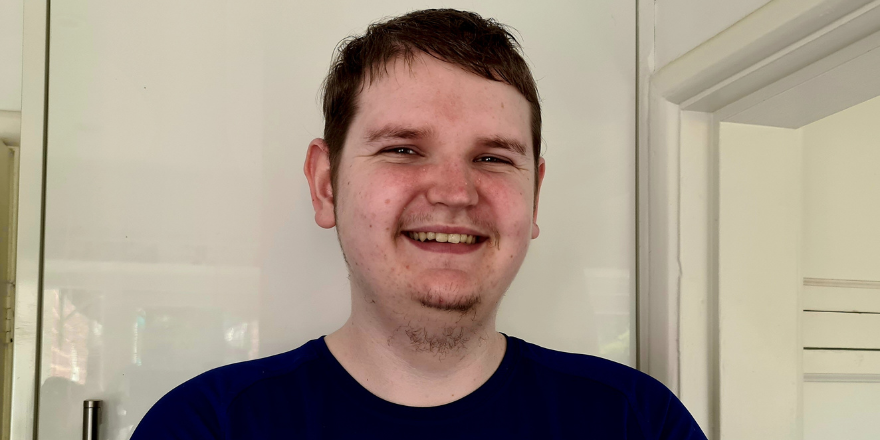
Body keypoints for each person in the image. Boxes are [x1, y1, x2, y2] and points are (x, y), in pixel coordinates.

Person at [132, 9, 706, 439]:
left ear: (535, 197)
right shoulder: (205, 427)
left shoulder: (639, 422)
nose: (455, 192)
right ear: (326, 184)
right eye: (404, 150)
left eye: (494, 157)